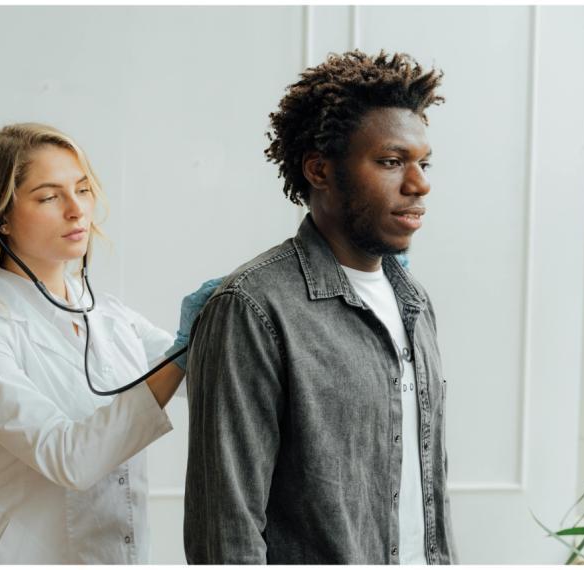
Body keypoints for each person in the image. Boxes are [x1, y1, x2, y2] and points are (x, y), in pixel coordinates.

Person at [184, 50, 457, 564]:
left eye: (424, 163)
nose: (419, 184)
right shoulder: (251, 309)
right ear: (319, 169)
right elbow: (226, 529)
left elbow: (427, 490)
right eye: (392, 162)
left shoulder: (414, 302)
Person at [0, 123, 217, 564]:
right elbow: (68, 458)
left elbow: (211, 378)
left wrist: (240, 316)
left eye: (83, 190)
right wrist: (185, 350)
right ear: (1, 217)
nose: (77, 210)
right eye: (49, 197)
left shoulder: (109, 316)